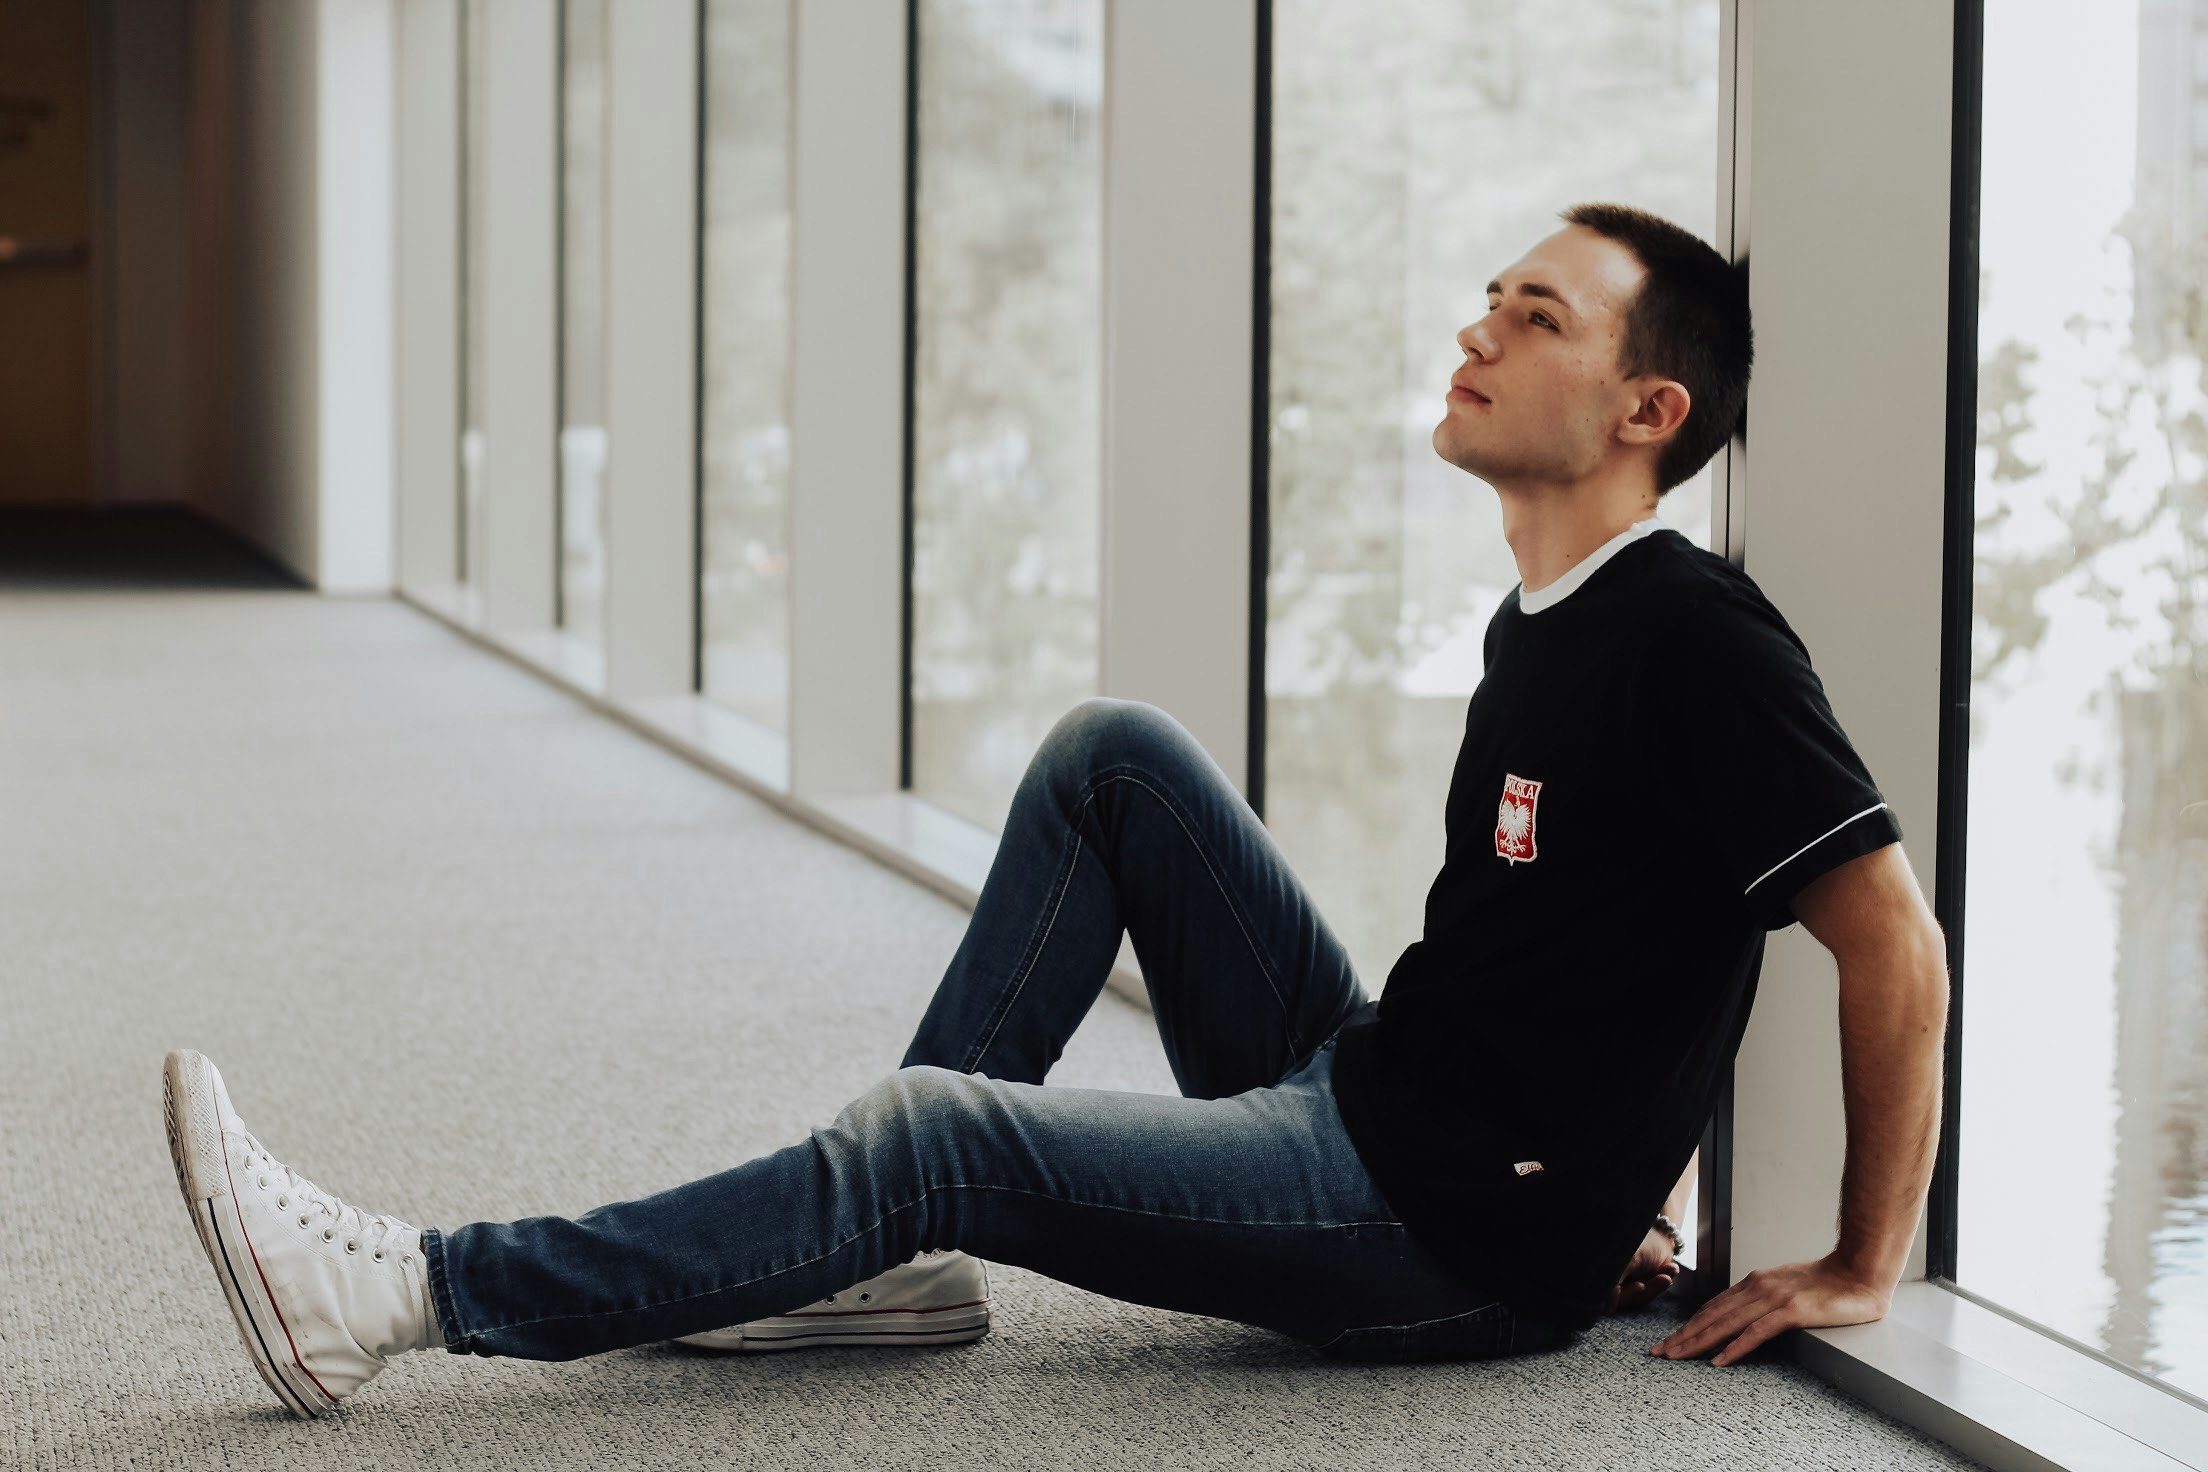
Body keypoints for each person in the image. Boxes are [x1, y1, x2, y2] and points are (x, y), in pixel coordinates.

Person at [160, 201, 1950, 1419]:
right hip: (1404, 1091)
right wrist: (1625, 1178)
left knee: (938, 1135)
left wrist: (1867, 1259)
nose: (1478, 329)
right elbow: (1610, 949)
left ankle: (401, 1294)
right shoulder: (1546, 614)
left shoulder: (1695, 635)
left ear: (1651, 407)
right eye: (1491, 297)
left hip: (1435, 1233)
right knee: (1118, 754)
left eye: (1536, 317)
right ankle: (882, 1258)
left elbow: (1890, 942)